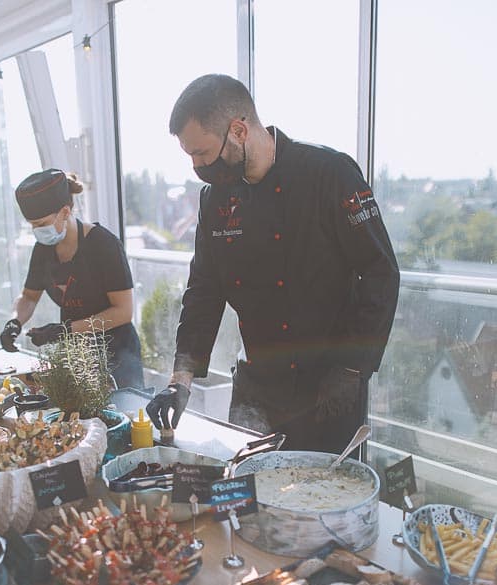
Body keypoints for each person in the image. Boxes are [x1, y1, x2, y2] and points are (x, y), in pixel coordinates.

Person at [146, 74, 400, 453]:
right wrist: (180, 378)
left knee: (324, 501)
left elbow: (380, 271)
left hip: (329, 384)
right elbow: (204, 290)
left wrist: (352, 367)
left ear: (238, 130)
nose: (197, 166)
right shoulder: (215, 201)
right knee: (246, 495)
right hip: (258, 385)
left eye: (201, 153)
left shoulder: (330, 174)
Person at [0, 169, 145, 389]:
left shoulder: (104, 245)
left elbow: (123, 311)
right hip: (76, 355)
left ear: (65, 212)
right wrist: (15, 322)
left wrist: (65, 330)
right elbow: (29, 297)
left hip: (118, 356)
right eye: (32, 225)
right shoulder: (42, 250)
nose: (36, 231)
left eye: (40, 224)